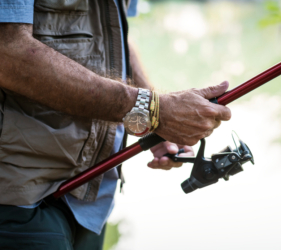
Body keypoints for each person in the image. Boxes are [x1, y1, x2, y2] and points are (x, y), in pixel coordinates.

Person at [0, 0, 231, 249]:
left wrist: (156, 120)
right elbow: (8, 51)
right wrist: (152, 109)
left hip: (92, 197)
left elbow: (118, 38)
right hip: (23, 200)